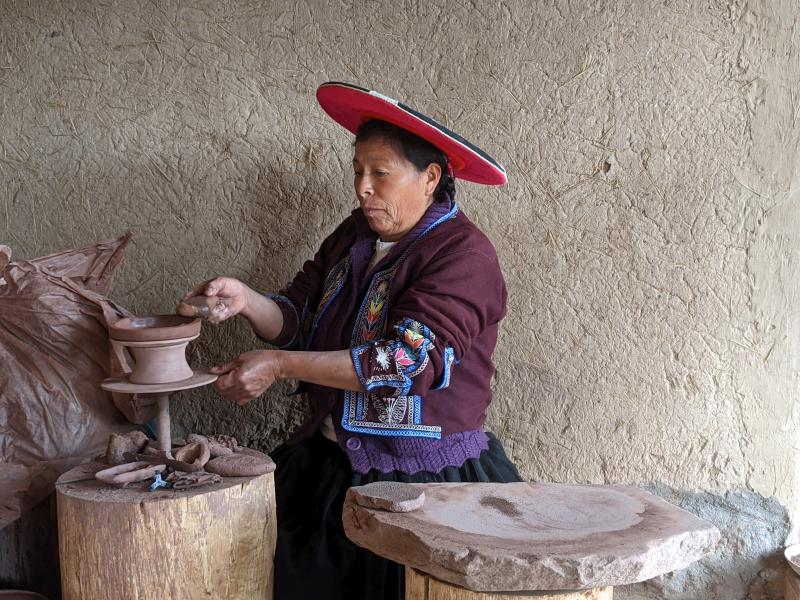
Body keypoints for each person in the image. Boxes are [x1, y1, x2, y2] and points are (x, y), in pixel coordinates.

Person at [179, 82, 522, 600]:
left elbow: (403, 363)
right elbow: (298, 316)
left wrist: (278, 365)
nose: (363, 187)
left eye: (380, 173)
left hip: (423, 480)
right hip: (332, 467)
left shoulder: (463, 256)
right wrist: (246, 299)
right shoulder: (354, 235)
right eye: (357, 170)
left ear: (430, 178)